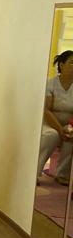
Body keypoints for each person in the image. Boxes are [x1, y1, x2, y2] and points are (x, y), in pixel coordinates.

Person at [38, 51, 73, 184]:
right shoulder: (51, 83)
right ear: (62, 65)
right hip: (49, 123)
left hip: (68, 124)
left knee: (70, 136)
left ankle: (62, 174)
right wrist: (59, 129)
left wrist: (69, 128)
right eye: (72, 63)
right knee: (52, 135)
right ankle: (35, 173)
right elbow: (46, 110)